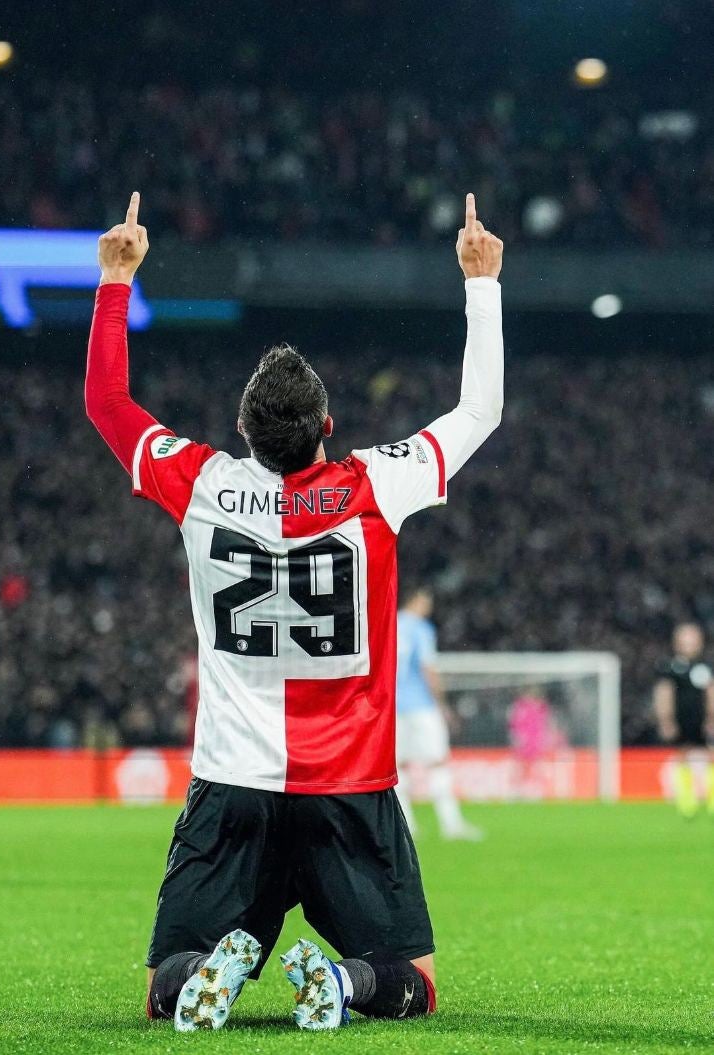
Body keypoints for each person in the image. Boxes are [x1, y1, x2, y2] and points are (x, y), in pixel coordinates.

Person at [85, 191, 504, 1031]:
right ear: (329, 424)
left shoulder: (203, 482)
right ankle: (346, 985)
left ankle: (211, 971)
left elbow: (109, 407)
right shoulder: (374, 484)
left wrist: (115, 280)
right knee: (410, 979)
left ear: (243, 429)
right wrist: (481, 283)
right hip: (350, 784)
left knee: (165, 979)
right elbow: (478, 411)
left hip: (232, 781)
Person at [395, 587, 483, 839]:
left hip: (392, 706)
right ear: (417, 601)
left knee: (398, 766)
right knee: (438, 762)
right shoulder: (421, 629)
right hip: (420, 706)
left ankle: (406, 826)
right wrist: (442, 703)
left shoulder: (389, 622)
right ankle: (451, 824)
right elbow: (427, 668)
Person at [653, 622, 714, 817]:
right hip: (682, 719)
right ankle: (686, 799)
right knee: (683, 755)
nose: (689, 645)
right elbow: (664, 693)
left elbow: (711, 692)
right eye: (685, 641)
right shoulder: (670, 667)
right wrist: (666, 720)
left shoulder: (706, 666)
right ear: (677, 643)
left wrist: (712, 716)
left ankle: (711, 798)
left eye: (692, 640)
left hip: (702, 719)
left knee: (710, 756)